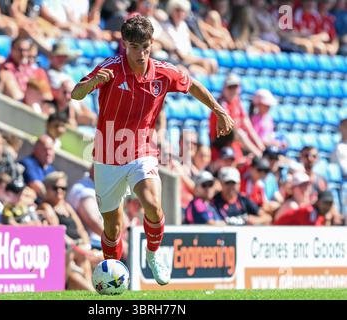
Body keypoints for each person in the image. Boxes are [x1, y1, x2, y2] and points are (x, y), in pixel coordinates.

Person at [71, 15, 234, 285]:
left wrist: (218, 109)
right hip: (107, 156)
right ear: (125, 45)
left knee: (154, 206)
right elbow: (76, 94)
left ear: (152, 43)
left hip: (141, 151)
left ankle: (153, 252)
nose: (142, 53)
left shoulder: (162, 72)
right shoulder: (110, 68)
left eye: (146, 47)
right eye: (135, 47)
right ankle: (113, 272)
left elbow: (192, 84)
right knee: (112, 227)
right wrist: (90, 83)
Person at [210, 73, 265, 161]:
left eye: (235, 87)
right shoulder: (221, 104)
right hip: (220, 144)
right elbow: (232, 129)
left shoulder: (237, 102)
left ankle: (262, 153)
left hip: (234, 143)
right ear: (224, 89)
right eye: (230, 87)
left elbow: (247, 124)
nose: (232, 90)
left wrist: (260, 146)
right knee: (240, 133)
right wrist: (257, 152)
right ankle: (260, 156)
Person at [274, 190, 344, 226]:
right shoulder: (308, 211)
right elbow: (312, 230)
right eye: (324, 203)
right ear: (318, 202)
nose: (326, 207)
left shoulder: (318, 216)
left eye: (329, 204)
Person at [19, 135, 55, 200]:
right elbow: (37, 187)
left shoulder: (51, 169)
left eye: (51, 149)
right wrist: (53, 199)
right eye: (45, 149)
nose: (48, 153)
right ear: (36, 150)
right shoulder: (28, 163)